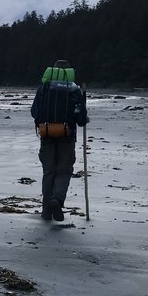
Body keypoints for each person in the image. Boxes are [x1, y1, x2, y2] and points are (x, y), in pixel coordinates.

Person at [30, 60, 88, 221]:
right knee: (64, 171)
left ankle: (46, 211)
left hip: (46, 134)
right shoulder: (74, 90)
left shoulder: (44, 88)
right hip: (67, 136)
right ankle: (57, 199)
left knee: (48, 172)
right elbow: (81, 118)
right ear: (68, 72)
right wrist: (83, 118)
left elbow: (34, 112)